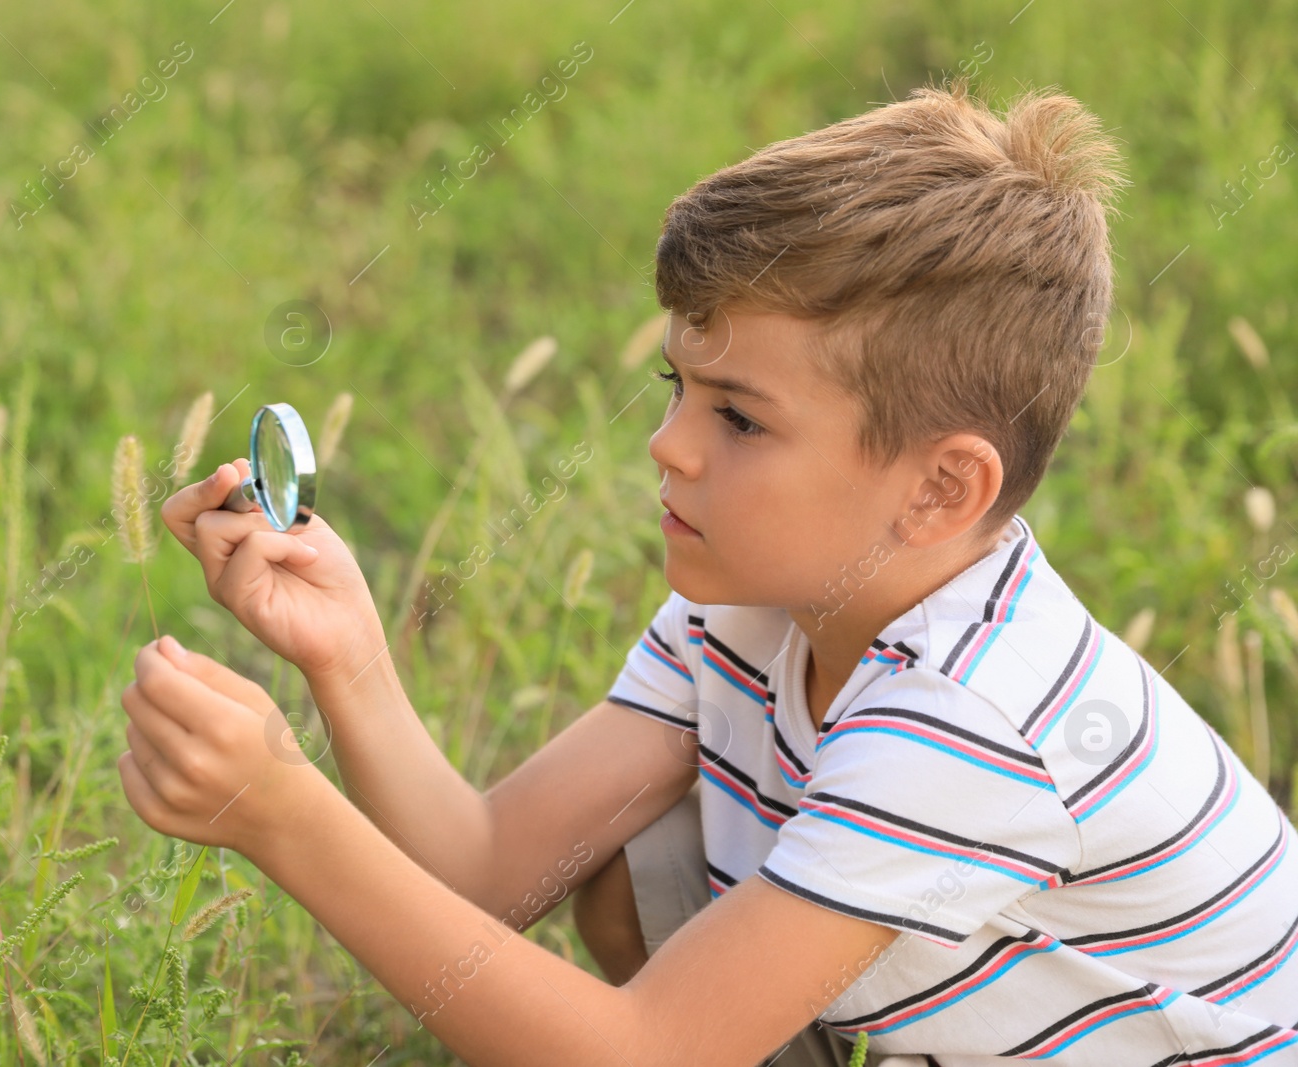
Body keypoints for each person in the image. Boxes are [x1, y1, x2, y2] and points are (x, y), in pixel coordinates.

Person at [117, 76, 1298, 1065]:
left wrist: (280, 813)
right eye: (680, 386)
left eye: (738, 417)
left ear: (940, 489)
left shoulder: (971, 720)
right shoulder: (749, 615)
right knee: (639, 868)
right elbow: (486, 871)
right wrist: (348, 655)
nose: (667, 442)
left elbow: (644, 1052)